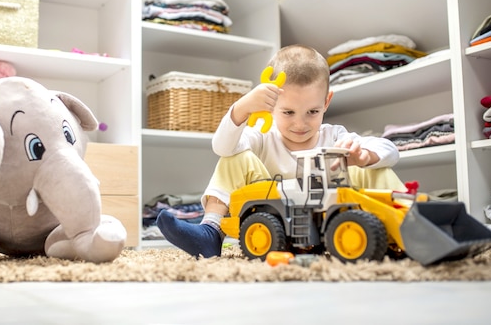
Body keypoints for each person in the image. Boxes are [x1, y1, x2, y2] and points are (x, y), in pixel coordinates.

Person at [156, 44, 405, 259]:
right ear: (272, 104)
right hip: (273, 212)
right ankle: (210, 232)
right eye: (288, 112)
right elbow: (222, 147)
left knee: (374, 165)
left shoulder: (334, 136)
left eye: (312, 112)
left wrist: (363, 157)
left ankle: (407, 219)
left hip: (328, 210)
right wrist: (242, 108)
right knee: (233, 158)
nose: (300, 124)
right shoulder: (263, 136)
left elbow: (390, 150)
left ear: (326, 102)